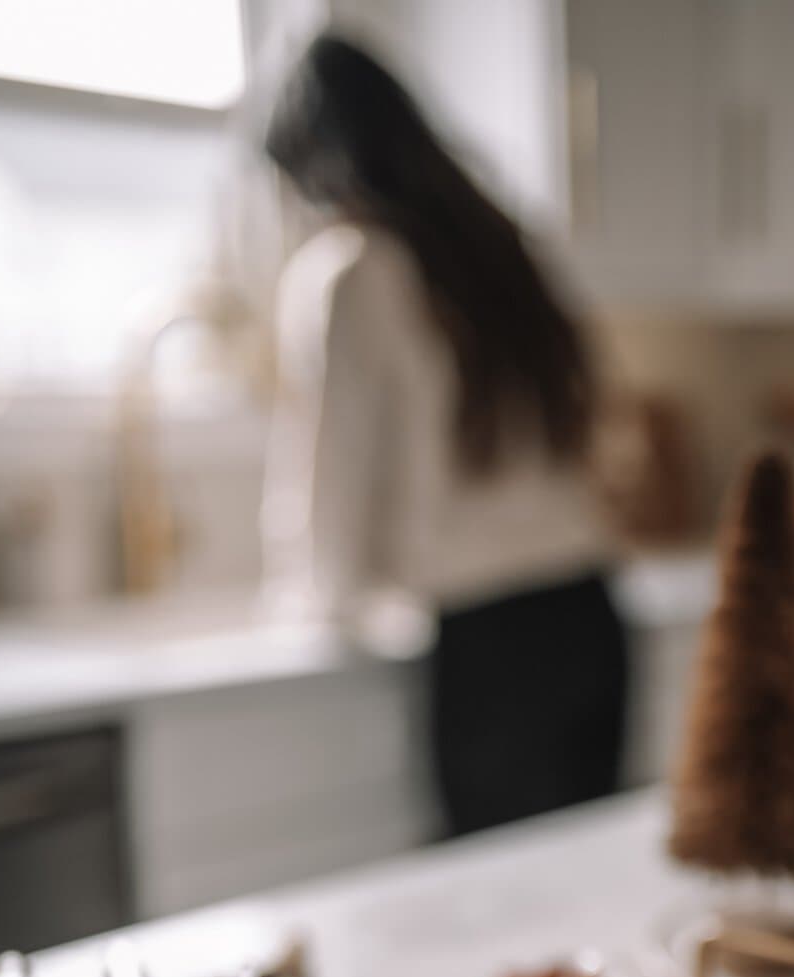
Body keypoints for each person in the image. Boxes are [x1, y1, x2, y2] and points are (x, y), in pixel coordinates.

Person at [262, 33, 630, 839]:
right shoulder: (496, 248)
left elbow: (338, 468)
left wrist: (323, 603)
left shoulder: (353, 269)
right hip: (588, 611)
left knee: (497, 914)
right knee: (579, 894)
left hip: (491, 643)